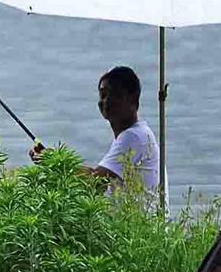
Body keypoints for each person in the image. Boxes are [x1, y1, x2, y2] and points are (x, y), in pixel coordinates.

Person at [32, 65, 160, 194]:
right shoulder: (138, 134)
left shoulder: (134, 136)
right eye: (102, 95)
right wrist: (53, 159)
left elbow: (95, 182)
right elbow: (97, 175)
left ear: (132, 100)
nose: (105, 101)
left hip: (137, 215)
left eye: (114, 95)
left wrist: (55, 162)